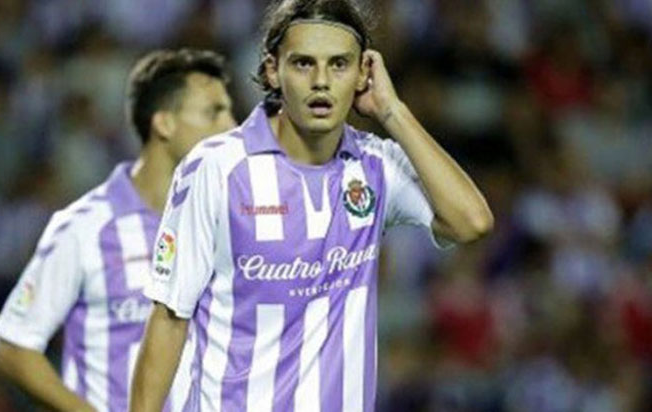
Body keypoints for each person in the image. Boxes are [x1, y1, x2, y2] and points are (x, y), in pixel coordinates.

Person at [131, 1, 494, 411]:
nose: (321, 81)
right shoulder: (216, 168)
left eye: (339, 65)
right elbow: (168, 318)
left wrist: (392, 110)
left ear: (363, 74)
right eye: (303, 64)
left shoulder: (375, 165)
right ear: (272, 70)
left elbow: (471, 222)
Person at [0, 48, 236, 412]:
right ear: (164, 123)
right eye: (213, 112)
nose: (231, 126)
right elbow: (12, 348)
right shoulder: (86, 226)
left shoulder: (228, 222)